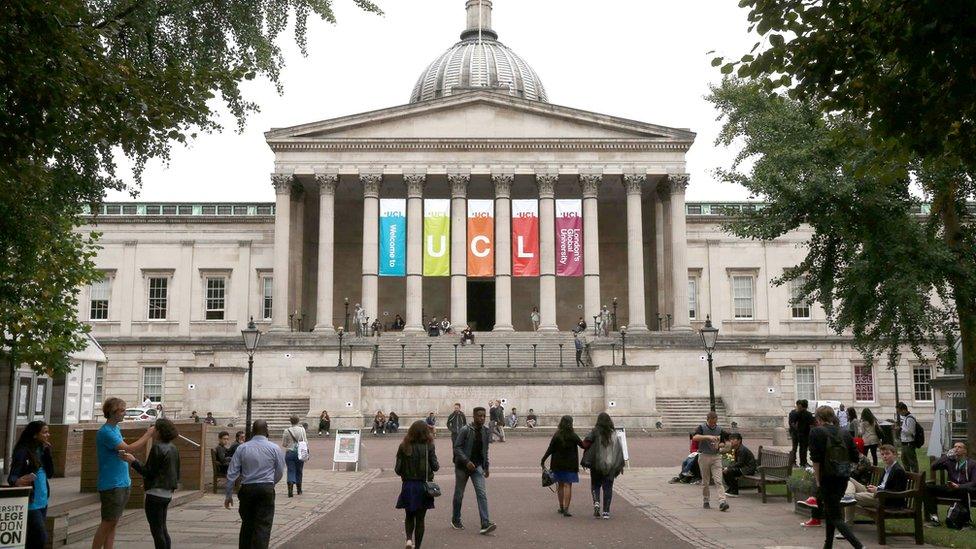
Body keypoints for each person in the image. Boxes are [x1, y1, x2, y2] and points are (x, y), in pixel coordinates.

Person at [92, 398, 155, 549]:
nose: (124, 413)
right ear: (112, 412)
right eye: (122, 410)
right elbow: (129, 448)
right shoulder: (106, 432)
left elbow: (121, 451)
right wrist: (148, 434)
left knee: (113, 522)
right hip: (111, 483)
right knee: (108, 521)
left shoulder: (115, 429)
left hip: (122, 481)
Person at [225, 420, 286, 549]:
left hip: (247, 488)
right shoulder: (274, 448)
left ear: (252, 431)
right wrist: (271, 483)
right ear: (267, 431)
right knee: (263, 525)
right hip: (266, 489)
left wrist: (228, 494)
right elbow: (280, 471)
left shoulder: (243, 448)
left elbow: (232, 472)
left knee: (247, 523)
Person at [121, 418, 180, 549]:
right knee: (163, 528)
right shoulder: (173, 448)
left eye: (155, 429)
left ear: (159, 431)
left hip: (155, 494)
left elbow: (148, 471)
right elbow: (172, 472)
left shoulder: (157, 447)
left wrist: (133, 461)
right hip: (167, 493)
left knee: (156, 531)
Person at [809, 405, 863, 549]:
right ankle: (828, 544)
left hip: (826, 477)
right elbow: (855, 457)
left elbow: (816, 460)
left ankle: (859, 546)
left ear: (819, 419)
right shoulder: (844, 433)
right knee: (830, 510)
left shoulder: (816, 432)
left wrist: (817, 481)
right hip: (842, 477)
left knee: (836, 516)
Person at [7, 420, 54, 549]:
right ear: (35, 435)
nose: (48, 435)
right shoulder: (23, 451)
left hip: (43, 500)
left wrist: (48, 454)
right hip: (30, 502)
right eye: (44, 432)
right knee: (41, 536)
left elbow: (50, 474)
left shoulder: (43, 450)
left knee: (33, 538)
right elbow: (12, 477)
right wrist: (17, 481)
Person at [451, 407, 496, 535]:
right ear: (474, 416)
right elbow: (457, 448)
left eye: (484, 416)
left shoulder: (486, 431)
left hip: (477, 467)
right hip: (462, 467)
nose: (482, 418)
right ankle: (455, 519)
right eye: (479, 416)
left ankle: (485, 523)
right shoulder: (465, 430)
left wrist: (486, 467)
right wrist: (466, 461)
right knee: (459, 494)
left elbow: (485, 451)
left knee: (482, 494)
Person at [396, 420, 440, 549]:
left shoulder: (404, 446)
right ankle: (417, 546)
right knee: (420, 519)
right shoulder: (429, 446)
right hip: (423, 486)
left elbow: (397, 469)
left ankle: (409, 539)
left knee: (409, 515)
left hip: (408, 485)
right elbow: (435, 466)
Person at [581, 412, 626, 519]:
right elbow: (619, 449)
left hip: (596, 463)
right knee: (608, 487)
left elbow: (585, 444)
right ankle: (606, 511)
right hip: (610, 464)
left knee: (595, 485)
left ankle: (596, 502)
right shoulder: (613, 433)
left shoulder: (595, 431)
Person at [541, 415, 584, 516]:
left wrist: (543, 460)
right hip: (570, 464)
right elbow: (582, 445)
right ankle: (566, 509)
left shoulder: (557, 435)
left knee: (560, 485)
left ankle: (561, 506)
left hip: (557, 463)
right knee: (568, 485)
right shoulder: (573, 435)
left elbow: (550, 449)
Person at [925, 441, 975, 526]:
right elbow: (933, 467)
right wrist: (946, 456)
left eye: (959, 447)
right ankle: (934, 518)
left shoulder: (972, 464)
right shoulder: (950, 461)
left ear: (965, 451)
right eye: (955, 446)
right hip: (951, 489)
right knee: (928, 488)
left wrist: (959, 486)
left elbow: (974, 482)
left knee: (966, 490)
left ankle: (967, 522)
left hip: (963, 490)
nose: (956, 448)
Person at [846, 444, 907, 509]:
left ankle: (847, 498)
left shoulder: (898, 470)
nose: (884, 456)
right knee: (849, 479)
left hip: (885, 500)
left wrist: (878, 490)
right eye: (882, 454)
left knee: (851, 498)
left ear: (895, 455)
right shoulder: (887, 468)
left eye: (887, 454)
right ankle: (847, 496)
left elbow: (897, 492)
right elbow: (883, 485)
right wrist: (876, 488)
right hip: (877, 493)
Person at [692, 410, 731, 512]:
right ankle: (706, 499)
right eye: (711, 422)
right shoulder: (701, 427)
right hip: (704, 455)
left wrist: (720, 444)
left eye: (715, 422)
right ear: (707, 420)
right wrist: (708, 437)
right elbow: (695, 437)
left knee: (718, 480)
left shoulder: (719, 429)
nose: (713, 424)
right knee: (706, 481)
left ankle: (722, 501)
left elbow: (725, 442)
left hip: (716, 456)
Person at [282, 415, 308, 497]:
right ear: (298, 421)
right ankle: (299, 489)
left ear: (290, 421)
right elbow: (305, 441)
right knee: (299, 470)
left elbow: (284, 444)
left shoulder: (287, 431)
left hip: (290, 452)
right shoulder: (302, 429)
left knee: (290, 470)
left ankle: (290, 488)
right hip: (300, 452)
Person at [789, 399, 815, 467]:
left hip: (799, 433)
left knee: (800, 448)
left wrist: (797, 429)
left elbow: (793, 423)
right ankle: (802, 462)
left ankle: (800, 462)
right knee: (803, 448)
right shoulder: (808, 414)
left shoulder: (797, 413)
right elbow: (812, 425)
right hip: (805, 433)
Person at [895, 402, 920, 473]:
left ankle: (915, 476)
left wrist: (900, 429)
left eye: (899, 411)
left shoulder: (910, 418)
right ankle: (908, 476)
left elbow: (910, 431)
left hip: (909, 443)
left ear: (904, 410)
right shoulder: (906, 418)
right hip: (904, 443)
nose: (899, 413)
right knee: (904, 461)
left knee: (912, 462)